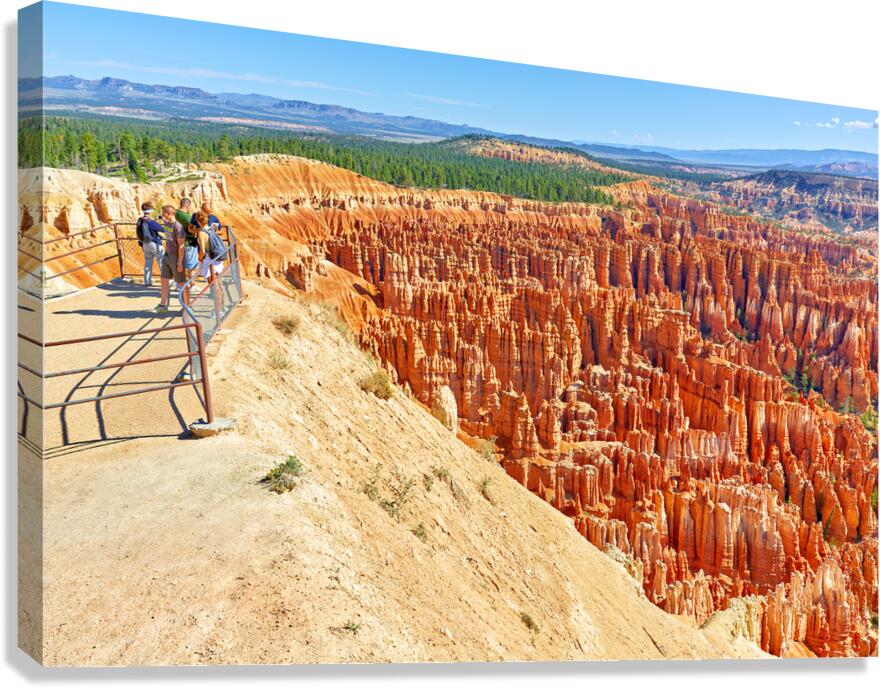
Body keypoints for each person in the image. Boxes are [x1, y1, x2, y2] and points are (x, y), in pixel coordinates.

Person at [155, 205, 187, 313]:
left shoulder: (178, 227)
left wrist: (179, 262)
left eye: (164, 213)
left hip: (176, 257)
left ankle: (186, 306)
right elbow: (165, 222)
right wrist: (161, 218)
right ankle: (163, 304)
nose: (163, 215)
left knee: (181, 282)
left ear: (168, 213)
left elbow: (181, 245)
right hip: (167, 255)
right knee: (164, 279)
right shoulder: (168, 223)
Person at [136, 201, 165, 287]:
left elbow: (143, 228)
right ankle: (167, 281)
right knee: (162, 262)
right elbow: (163, 229)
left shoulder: (140, 220)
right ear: (150, 210)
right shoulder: (151, 222)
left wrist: (155, 219)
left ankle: (147, 281)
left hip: (145, 243)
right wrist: (164, 221)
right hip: (154, 243)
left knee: (148, 263)